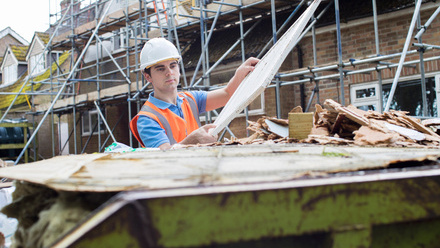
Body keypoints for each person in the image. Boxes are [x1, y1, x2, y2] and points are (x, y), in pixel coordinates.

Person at [130, 38, 259, 150]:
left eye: (173, 66)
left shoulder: (190, 99)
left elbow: (227, 94)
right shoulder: (147, 118)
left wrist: (239, 74)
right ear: (148, 77)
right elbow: (164, 156)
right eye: (160, 69)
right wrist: (191, 141)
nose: (169, 72)